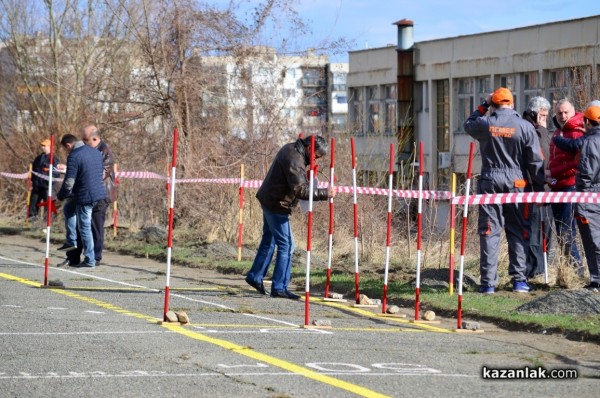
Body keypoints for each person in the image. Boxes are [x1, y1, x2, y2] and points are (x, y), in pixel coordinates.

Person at [464, 87, 545, 294]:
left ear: (495, 103)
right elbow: (535, 161)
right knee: (518, 230)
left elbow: (468, 124)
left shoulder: (485, 123)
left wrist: (484, 104)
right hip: (517, 183)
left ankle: (488, 284)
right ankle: (519, 280)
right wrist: (539, 190)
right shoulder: (525, 126)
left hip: (490, 181)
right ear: (512, 103)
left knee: (489, 231)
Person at [245, 135, 336, 299]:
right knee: (287, 245)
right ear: (309, 148)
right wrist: (325, 193)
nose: (316, 160)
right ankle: (279, 287)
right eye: (316, 156)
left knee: (269, 240)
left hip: (270, 199)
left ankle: (255, 276)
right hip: (277, 204)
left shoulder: (292, 149)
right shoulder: (295, 159)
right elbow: (300, 190)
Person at [64, 125, 117, 266]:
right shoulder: (86, 151)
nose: (82, 141)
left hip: (100, 195)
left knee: (95, 227)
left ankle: (95, 257)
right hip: (84, 193)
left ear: (95, 138)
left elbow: (99, 175)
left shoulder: (104, 152)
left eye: (85, 139)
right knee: (78, 226)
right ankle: (74, 257)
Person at [56, 134, 107, 268]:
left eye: (66, 149)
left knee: (84, 228)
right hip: (99, 194)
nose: (67, 152)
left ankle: (90, 260)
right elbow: (100, 173)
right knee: (69, 209)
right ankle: (71, 240)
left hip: (86, 196)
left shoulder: (74, 156)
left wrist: (61, 195)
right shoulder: (95, 152)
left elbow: (69, 182)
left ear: (68, 145)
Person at [547, 98, 584, 275]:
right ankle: (569, 272)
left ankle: (577, 273)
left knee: (567, 232)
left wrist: (553, 173)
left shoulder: (577, 132)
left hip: (569, 187)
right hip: (557, 186)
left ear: (573, 111)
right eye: (559, 113)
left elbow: (575, 165)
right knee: (561, 231)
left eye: (565, 112)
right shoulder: (558, 132)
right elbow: (554, 159)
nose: (562, 116)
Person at [522, 96, 554, 278]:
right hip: (533, 190)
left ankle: (541, 269)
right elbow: (539, 157)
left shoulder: (542, 131)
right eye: (542, 115)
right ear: (535, 113)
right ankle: (533, 271)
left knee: (545, 233)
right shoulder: (531, 130)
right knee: (533, 232)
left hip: (545, 189)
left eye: (546, 115)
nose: (545, 119)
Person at [571, 105, 600, 291]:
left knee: (593, 240)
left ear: (587, 122)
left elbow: (586, 173)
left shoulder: (591, 142)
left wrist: (579, 191)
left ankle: (597, 280)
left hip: (591, 198)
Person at [29, 138, 59, 221]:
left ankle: (48, 224)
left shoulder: (54, 159)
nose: (42, 147)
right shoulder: (38, 158)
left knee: (49, 206)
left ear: (50, 146)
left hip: (48, 187)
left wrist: (50, 182)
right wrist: (32, 181)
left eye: (44, 146)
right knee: (33, 205)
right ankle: (32, 222)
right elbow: (34, 170)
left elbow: (56, 173)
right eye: (42, 146)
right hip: (37, 186)